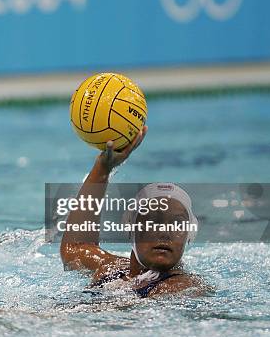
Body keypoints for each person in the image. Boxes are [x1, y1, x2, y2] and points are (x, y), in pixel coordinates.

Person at [60, 126, 204, 298]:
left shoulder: (183, 287)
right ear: (130, 229)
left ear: (189, 235)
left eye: (177, 223)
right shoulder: (111, 268)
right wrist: (102, 169)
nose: (165, 233)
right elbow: (75, 248)